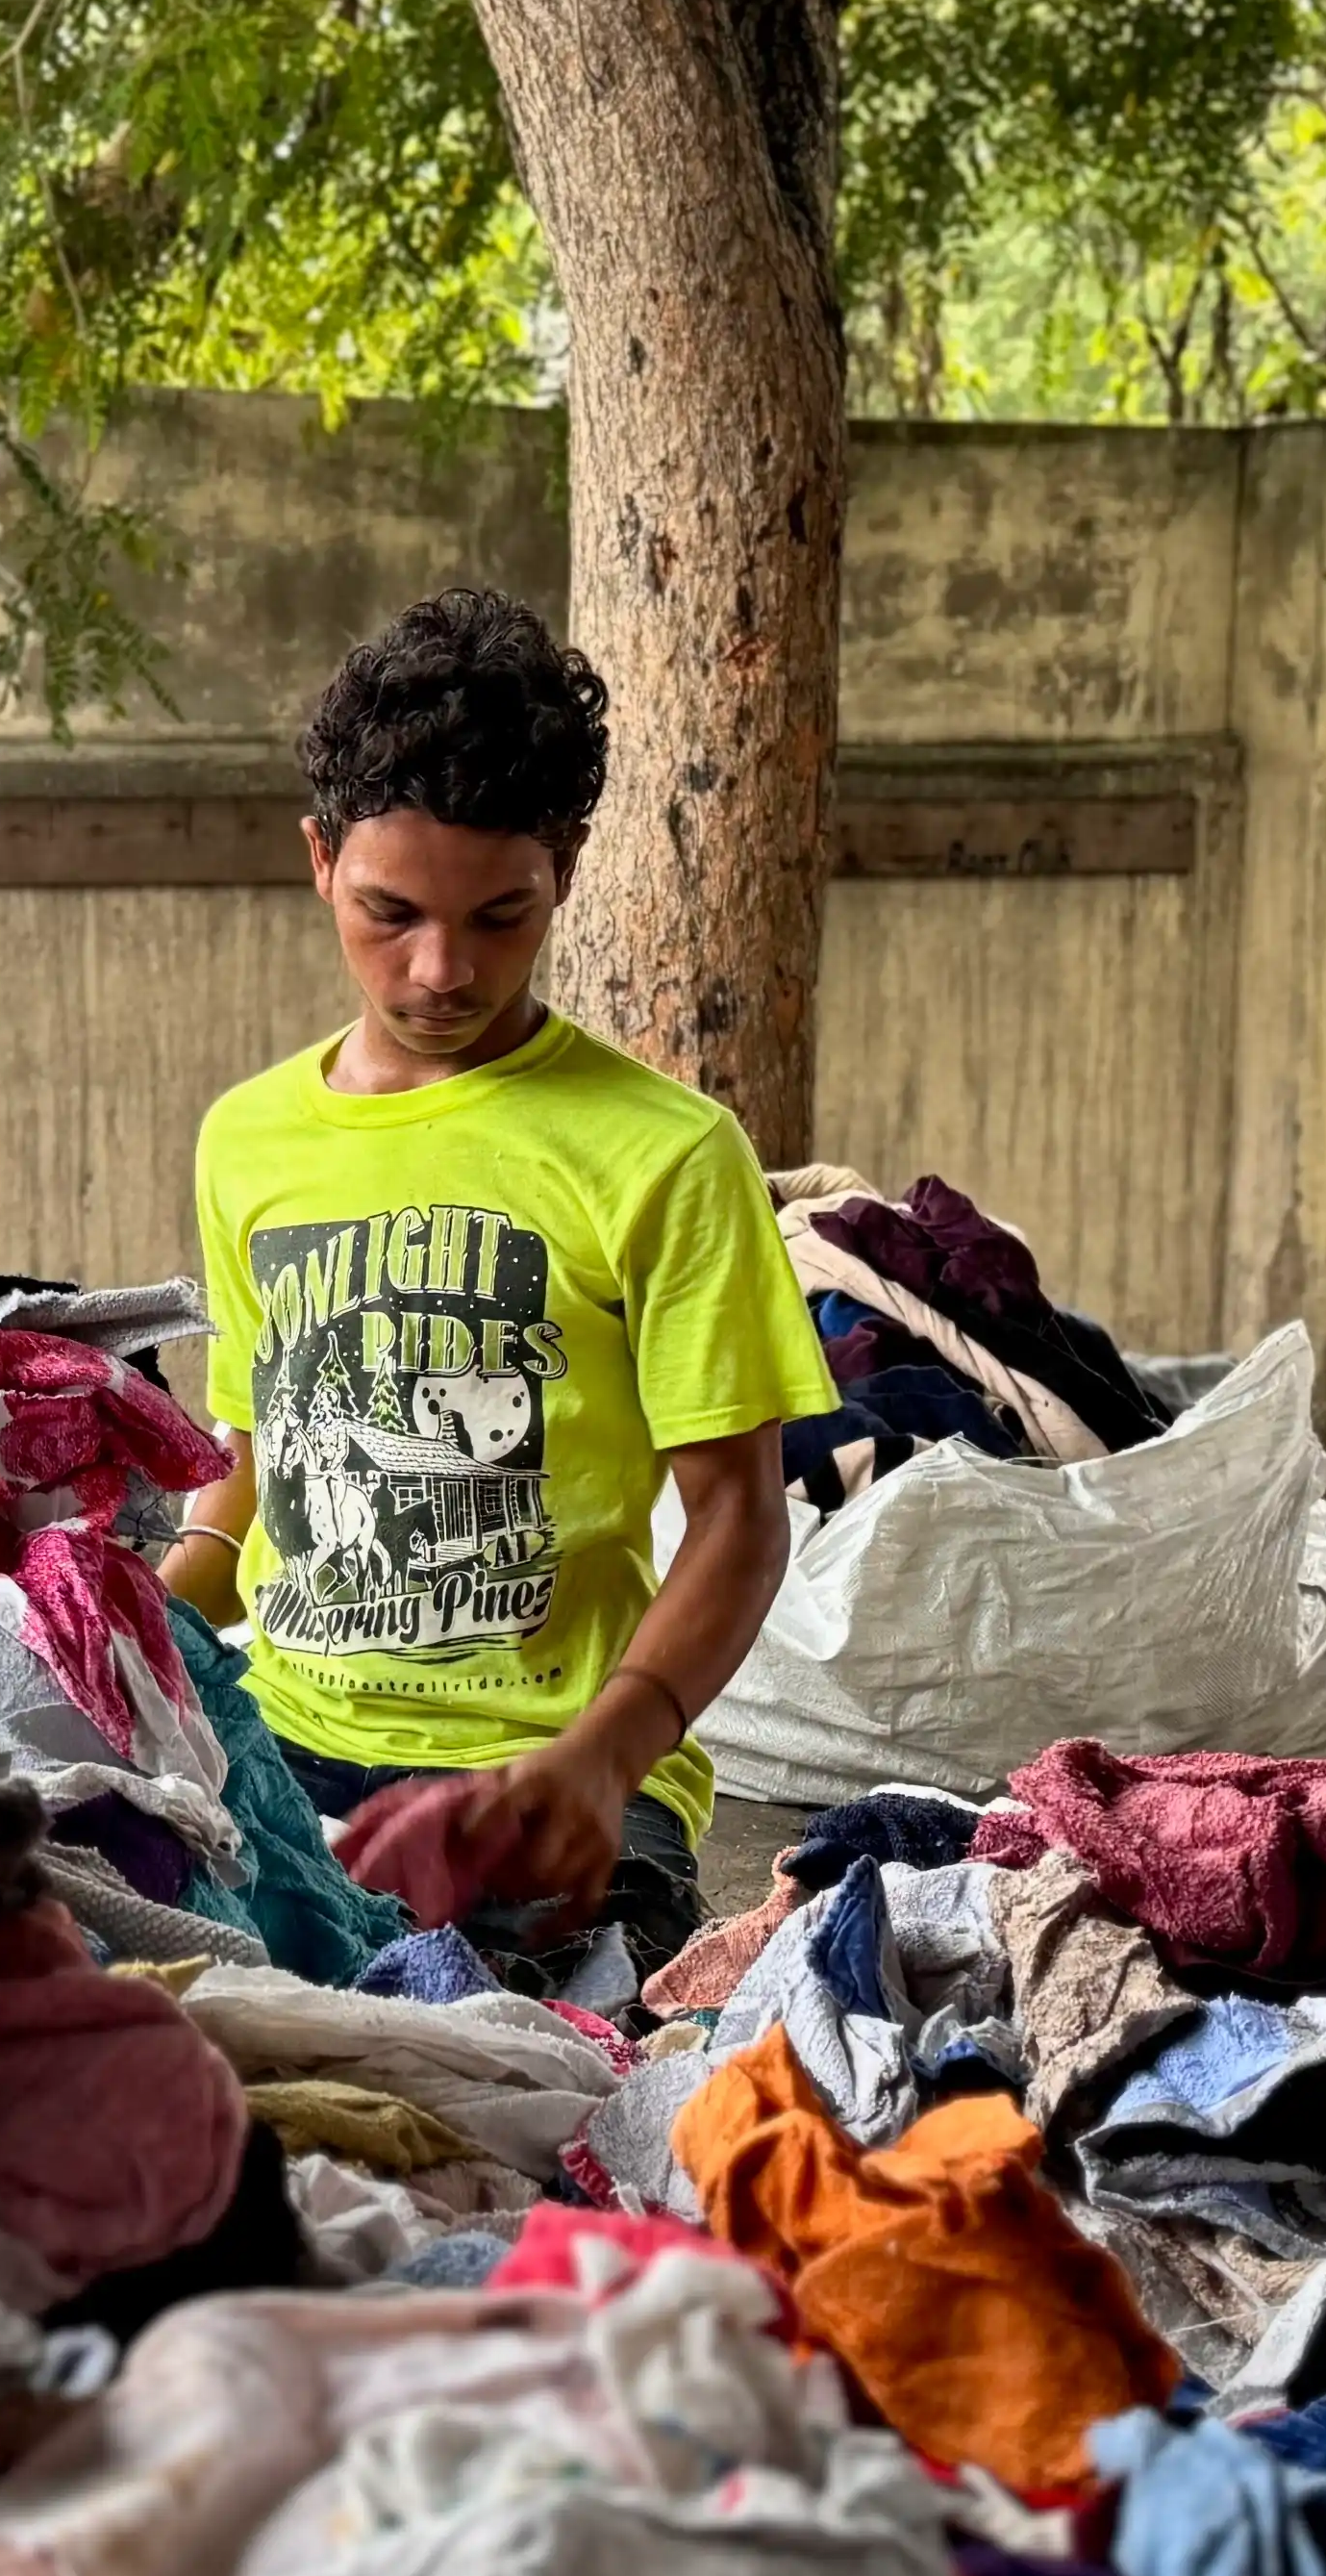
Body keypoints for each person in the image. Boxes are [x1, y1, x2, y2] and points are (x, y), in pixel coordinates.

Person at [166, 588, 838, 1981]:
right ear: (317, 862)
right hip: (281, 1751)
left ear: (568, 870)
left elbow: (738, 1519)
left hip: (564, 1778)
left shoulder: (664, 1154)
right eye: (388, 912)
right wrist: (154, 1619)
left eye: (500, 915)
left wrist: (607, 1757)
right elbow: (255, 1462)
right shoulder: (248, 1140)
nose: (439, 969)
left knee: (572, 2045)